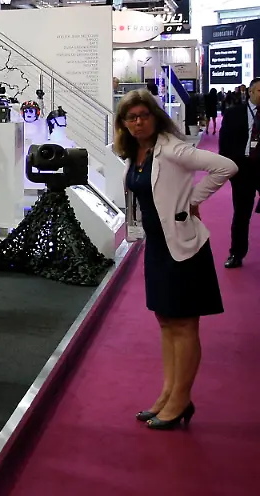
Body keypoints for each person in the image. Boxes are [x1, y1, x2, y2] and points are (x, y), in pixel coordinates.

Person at [115, 89, 234, 429]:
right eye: (132, 117)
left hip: (183, 248)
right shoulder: (134, 152)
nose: (139, 122)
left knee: (184, 325)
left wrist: (193, 200)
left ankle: (181, 399)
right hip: (156, 246)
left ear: (155, 117)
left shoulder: (172, 148)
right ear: (124, 123)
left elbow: (225, 166)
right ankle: (168, 394)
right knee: (166, 322)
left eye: (144, 115)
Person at [217, 78, 260, 268]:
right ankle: (236, 253)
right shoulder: (234, 113)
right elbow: (224, 142)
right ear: (250, 92)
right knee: (242, 215)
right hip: (243, 169)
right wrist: (228, 167)